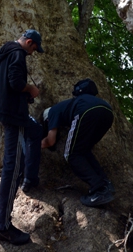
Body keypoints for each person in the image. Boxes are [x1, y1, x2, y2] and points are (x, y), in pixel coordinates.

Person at [0, 29, 44, 246]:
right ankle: (3, 227)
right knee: (12, 168)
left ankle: (30, 177)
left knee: (36, 131)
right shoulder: (18, 54)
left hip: (3, 112)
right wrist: (30, 89)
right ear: (29, 42)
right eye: (34, 49)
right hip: (15, 116)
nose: (32, 53)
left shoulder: (3, 52)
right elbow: (14, 82)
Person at [41, 79, 114, 207]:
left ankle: (98, 188)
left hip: (86, 111)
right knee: (84, 151)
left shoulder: (52, 112)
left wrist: (35, 145)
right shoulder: (76, 101)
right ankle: (106, 184)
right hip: (107, 112)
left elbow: (50, 140)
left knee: (71, 154)